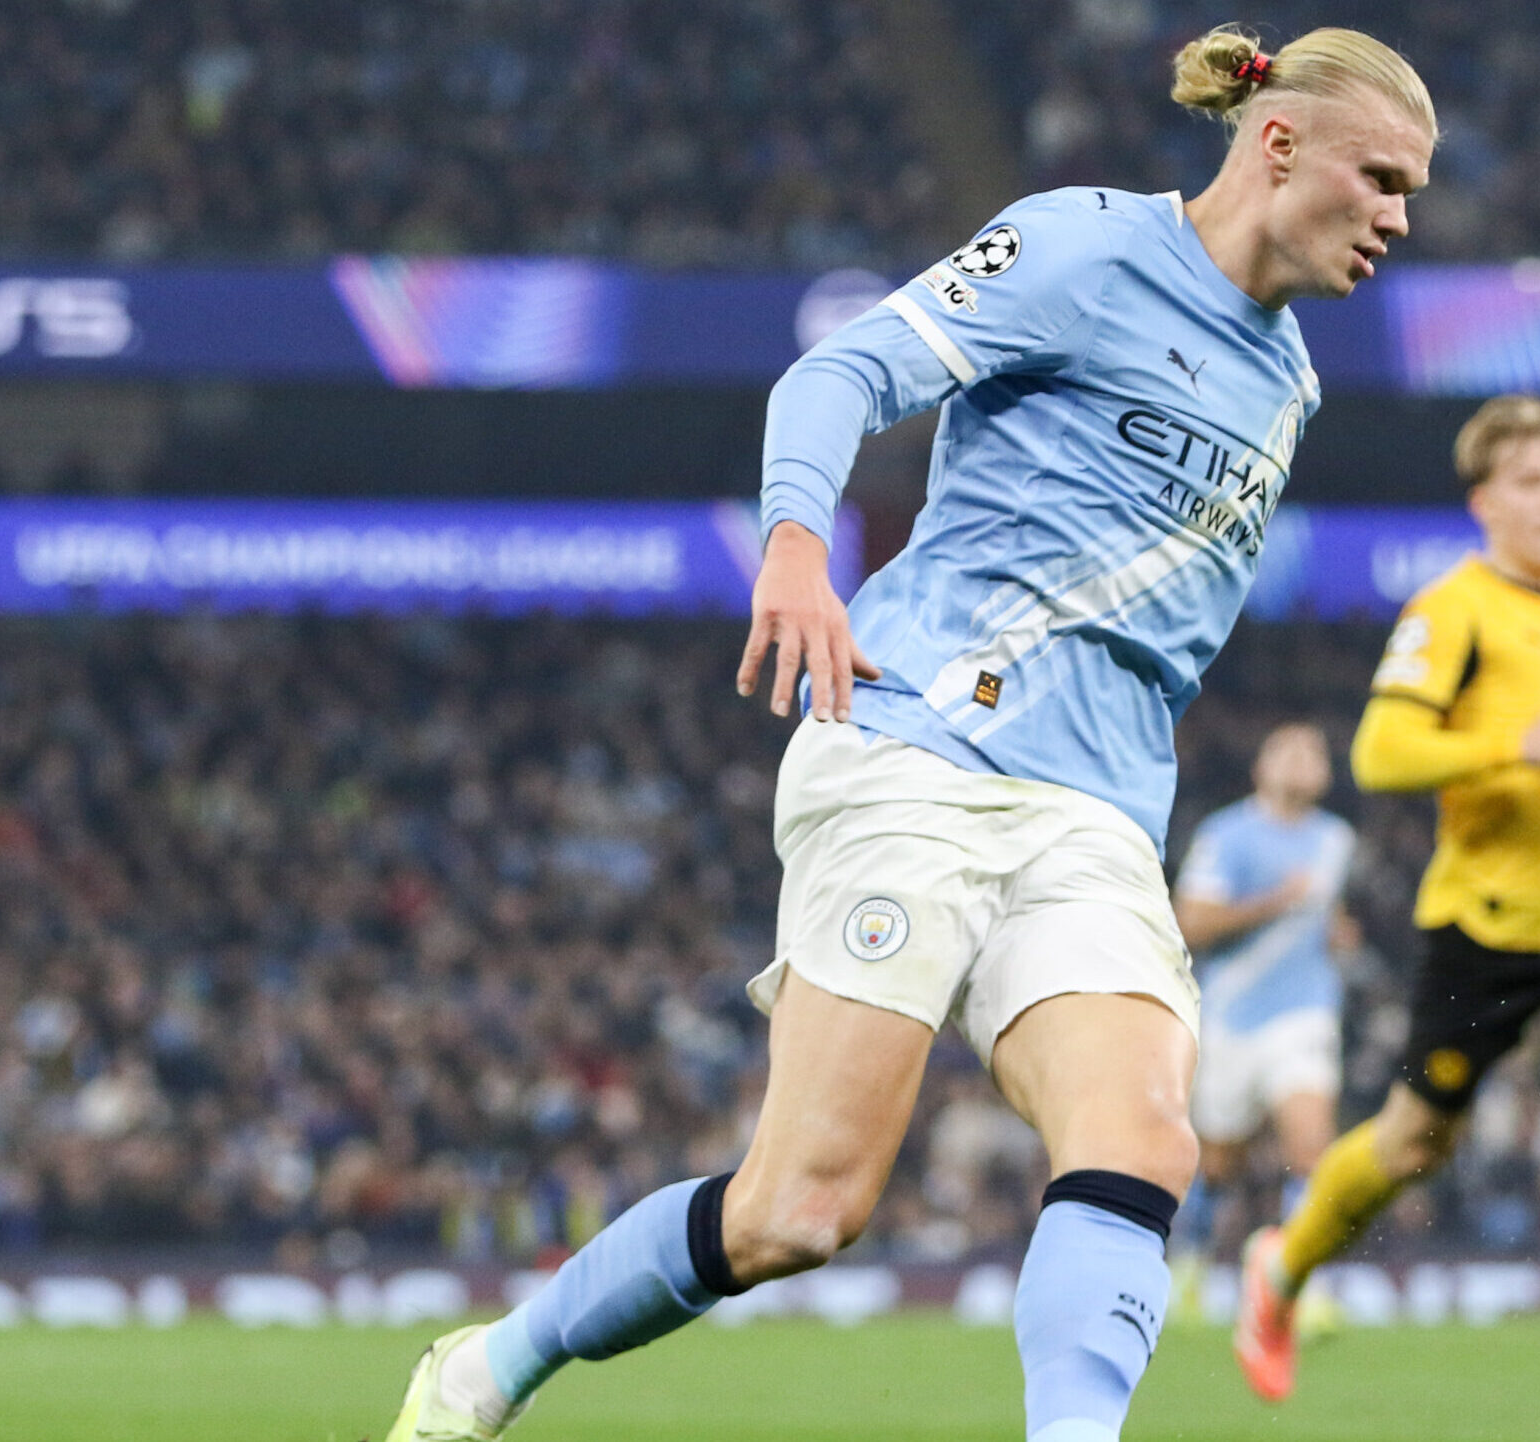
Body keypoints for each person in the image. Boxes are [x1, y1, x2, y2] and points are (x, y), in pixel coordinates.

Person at [381, 22, 1436, 1442]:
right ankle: (490, 1363)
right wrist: (799, 548)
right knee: (798, 1211)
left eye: (1411, 194)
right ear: (1278, 141)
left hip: (1097, 819)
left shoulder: (1289, 381)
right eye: (1380, 179)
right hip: (920, 750)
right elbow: (837, 375)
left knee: (1142, 1138)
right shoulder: (1084, 248)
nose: (1399, 220)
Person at [1233, 395, 1540, 1440]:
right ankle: (1279, 1269)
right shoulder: (1449, 610)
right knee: (1414, 1141)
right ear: (1484, 502)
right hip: (1486, 926)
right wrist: (1510, 750)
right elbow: (1381, 752)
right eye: (1530, 484)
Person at [1172, 724, 1354, 1275]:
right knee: (1217, 1162)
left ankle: (1297, 1281)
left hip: (1304, 1012)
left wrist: (1338, 932)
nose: (1303, 761)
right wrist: (1277, 902)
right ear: (1261, 768)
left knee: (1313, 1150)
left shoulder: (1336, 839)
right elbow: (1192, 922)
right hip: (1231, 1016)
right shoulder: (1227, 835)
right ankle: (1191, 1261)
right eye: (1289, 751)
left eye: (1314, 752)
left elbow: (1324, 913)